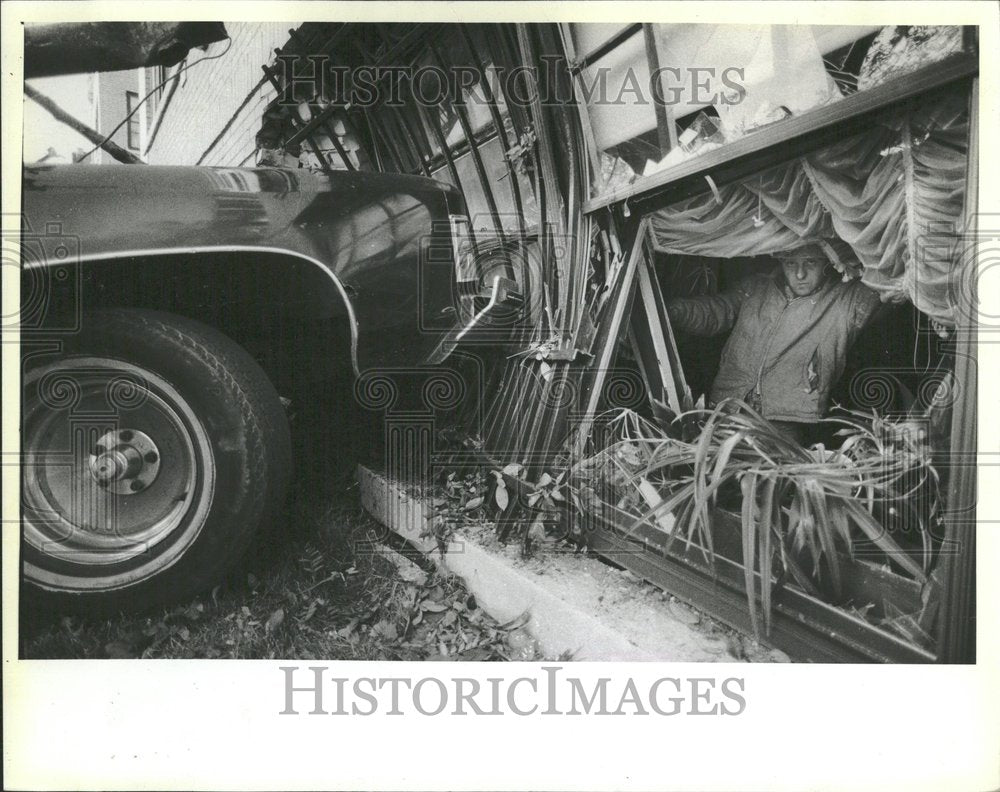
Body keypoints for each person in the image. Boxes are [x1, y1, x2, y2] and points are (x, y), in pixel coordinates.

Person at [665, 245, 882, 444]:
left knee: (769, 483)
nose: (800, 274)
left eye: (810, 262)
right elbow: (716, 311)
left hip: (784, 421)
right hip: (728, 407)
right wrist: (674, 311)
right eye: (790, 263)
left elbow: (889, 284)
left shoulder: (847, 299)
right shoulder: (757, 287)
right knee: (717, 479)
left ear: (829, 262)